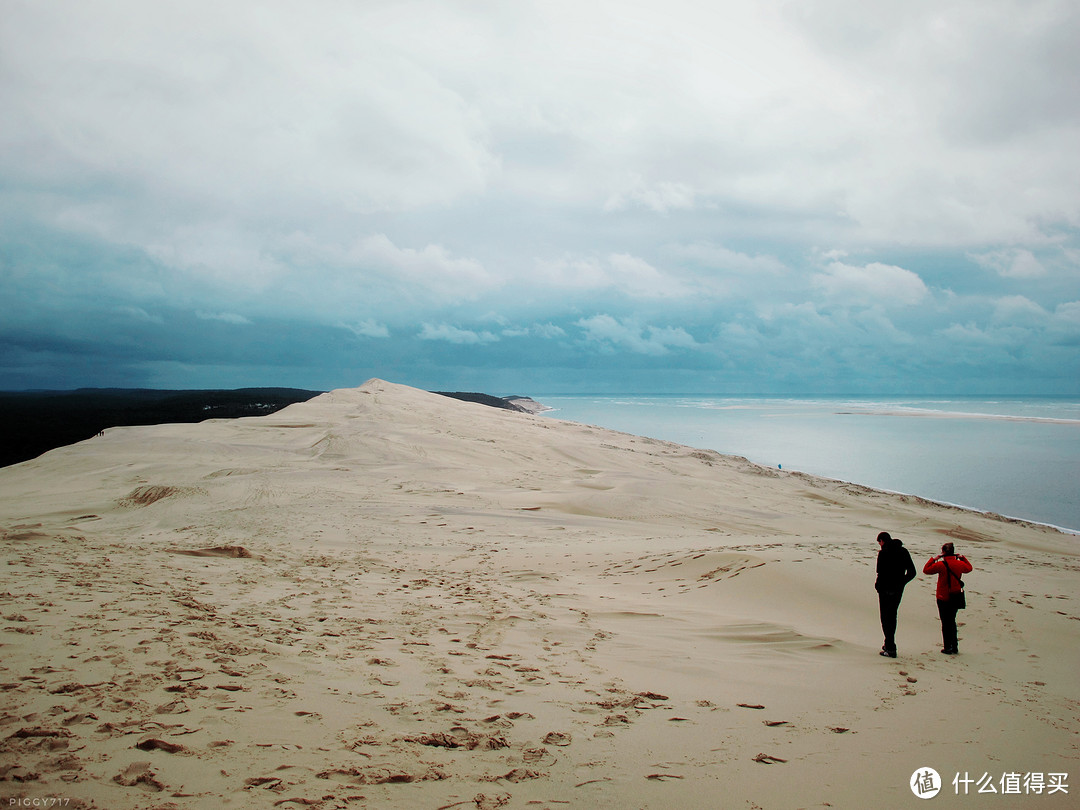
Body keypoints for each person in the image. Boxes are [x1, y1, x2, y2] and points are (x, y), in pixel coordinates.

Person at [923, 542, 972, 654]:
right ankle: (954, 646)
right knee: (952, 621)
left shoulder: (941, 565)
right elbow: (969, 568)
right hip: (955, 595)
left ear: (943, 552)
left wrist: (934, 559)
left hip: (943, 597)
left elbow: (926, 570)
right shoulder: (959, 564)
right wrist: (963, 558)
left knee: (946, 622)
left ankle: (948, 647)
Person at [875, 531, 917, 658]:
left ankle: (890, 647)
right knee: (892, 616)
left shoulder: (883, 553)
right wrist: (901, 583)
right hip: (897, 590)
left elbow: (880, 573)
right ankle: (888, 643)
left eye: (879, 542)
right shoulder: (903, 551)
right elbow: (912, 572)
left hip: (885, 590)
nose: (879, 545)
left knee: (885, 618)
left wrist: (878, 586)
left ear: (882, 541)